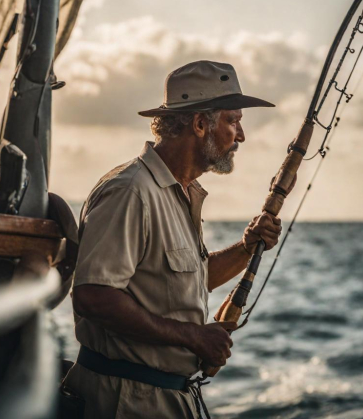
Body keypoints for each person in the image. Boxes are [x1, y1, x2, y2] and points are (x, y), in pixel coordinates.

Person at [63, 60, 284, 418]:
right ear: (199, 124)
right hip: (125, 401)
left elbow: (182, 283)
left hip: (163, 399)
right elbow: (93, 296)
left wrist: (246, 247)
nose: (240, 136)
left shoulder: (181, 192)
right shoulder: (131, 191)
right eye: (233, 121)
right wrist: (193, 337)